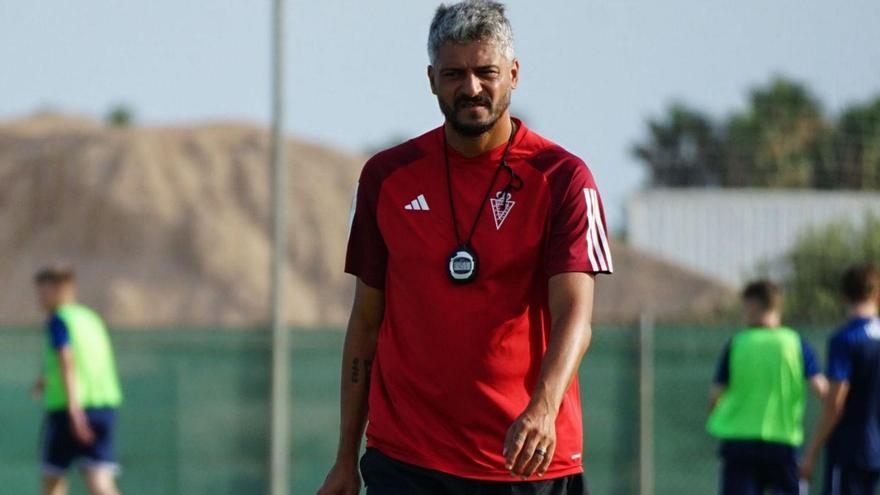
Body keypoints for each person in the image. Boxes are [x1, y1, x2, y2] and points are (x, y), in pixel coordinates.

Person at [317, 1, 613, 494]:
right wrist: (345, 457)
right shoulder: (386, 177)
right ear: (431, 79)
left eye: (486, 72)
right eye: (454, 73)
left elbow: (575, 317)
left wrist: (544, 408)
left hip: (526, 460)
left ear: (514, 74)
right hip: (406, 460)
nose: (471, 87)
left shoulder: (563, 178)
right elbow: (366, 322)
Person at [707, 280, 827, 495]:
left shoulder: (738, 343)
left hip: (740, 442)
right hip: (783, 442)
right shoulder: (795, 343)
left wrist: (720, 415)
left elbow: (715, 397)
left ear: (753, 305)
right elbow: (822, 389)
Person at [31, 266, 123, 495]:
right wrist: (45, 378)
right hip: (104, 406)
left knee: (52, 478)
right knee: (100, 481)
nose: (40, 298)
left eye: (43, 291)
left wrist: (74, 410)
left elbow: (67, 360)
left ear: (58, 289)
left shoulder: (59, 320)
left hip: (70, 410)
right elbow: (87, 360)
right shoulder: (90, 319)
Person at [801, 264, 880, 495]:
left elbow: (835, 405)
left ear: (844, 296)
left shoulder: (845, 339)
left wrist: (811, 454)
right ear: (877, 294)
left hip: (850, 451)